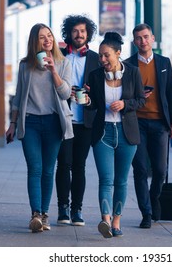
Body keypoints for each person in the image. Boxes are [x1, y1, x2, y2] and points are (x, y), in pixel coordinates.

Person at [5, 23, 73, 233]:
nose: (47, 40)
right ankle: (35, 214)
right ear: (35, 41)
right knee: (34, 169)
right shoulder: (25, 65)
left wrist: (53, 71)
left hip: (53, 123)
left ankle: (44, 214)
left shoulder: (63, 63)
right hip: (31, 122)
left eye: (50, 36)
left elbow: (65, 94)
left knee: (47, 170)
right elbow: (17, 97)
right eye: (42, 37)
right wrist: (13, 124)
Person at [85, 32, 145, 238]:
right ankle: (105, 220)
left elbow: (140, 100)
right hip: (103, 133)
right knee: (106, 179)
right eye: (100, 55)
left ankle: (117, 221)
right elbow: (92, 105)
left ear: (118, 54)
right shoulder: (94, 75)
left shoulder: (133, 73)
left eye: (106, 55)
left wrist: (125, 104)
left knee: (121, 181)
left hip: (126, 133)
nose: (102, 60)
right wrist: (85, 100)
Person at [125, 23, 172, 229]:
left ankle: (153, 197)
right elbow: (123, 94)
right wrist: (138, 95)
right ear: (134, 41)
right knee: (139, 169)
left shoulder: (164, 62)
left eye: (146, 37)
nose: (143, 41)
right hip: (136, 122)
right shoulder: (128, 64)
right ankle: (146, 212)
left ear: (153, 38)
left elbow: (170, 95)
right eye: (138, 38)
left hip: (160, 124)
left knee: (160, 170)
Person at [55, 15, 100, 226]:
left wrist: (91, 95)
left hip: (86, 121)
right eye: (75, 31)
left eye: (82, 31)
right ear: (69, 33)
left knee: (79, 166)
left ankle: (77, 210)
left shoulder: (95, 58)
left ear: (88, 34)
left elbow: (102, 91)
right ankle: (62, 207)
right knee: (63, 164)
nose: (79, 35)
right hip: (64, 119)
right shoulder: (59, 56)